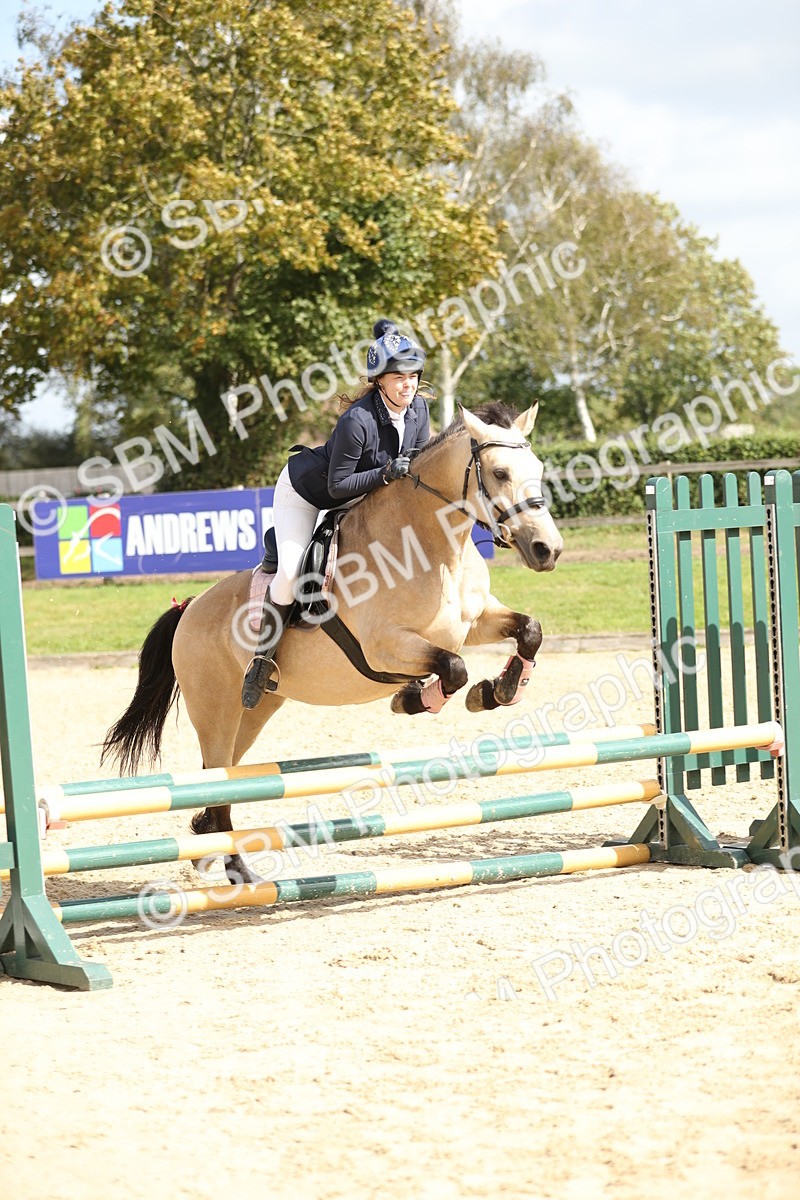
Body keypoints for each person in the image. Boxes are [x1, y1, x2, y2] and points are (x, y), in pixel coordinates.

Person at [242, 319, 431, 707]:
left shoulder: (419, 412)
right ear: (379, 380)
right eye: (398, 377)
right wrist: (384, 473)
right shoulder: (357, 420)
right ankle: (262, 659)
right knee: (291, 572)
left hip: (362, 492)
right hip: (309, 492)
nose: (407, 385)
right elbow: (337, 487)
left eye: (413, 376)